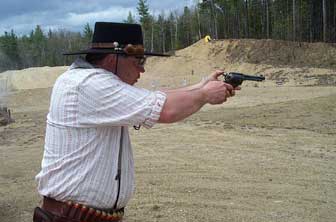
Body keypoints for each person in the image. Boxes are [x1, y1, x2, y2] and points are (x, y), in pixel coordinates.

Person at [33, 22, 238, 222]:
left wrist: (201, 86)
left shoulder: (85, 80)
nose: (142, 70)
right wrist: (204, 95)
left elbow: (153, 97)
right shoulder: (89, 84)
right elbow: (165, 109)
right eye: (138, 61)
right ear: (114, 59)